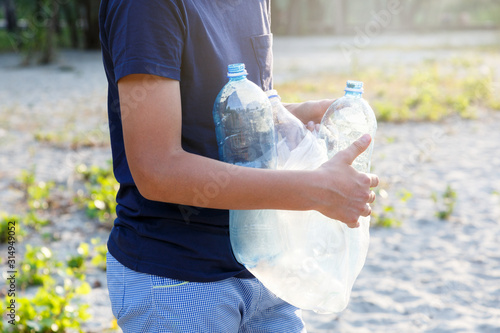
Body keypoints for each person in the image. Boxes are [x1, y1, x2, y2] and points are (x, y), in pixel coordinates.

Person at [99, 0, 379, 332]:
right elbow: (158, 170)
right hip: (179, 278)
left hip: (266, 262)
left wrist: (299, 115)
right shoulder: (145, 8)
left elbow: (241, 110)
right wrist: (312, 191)